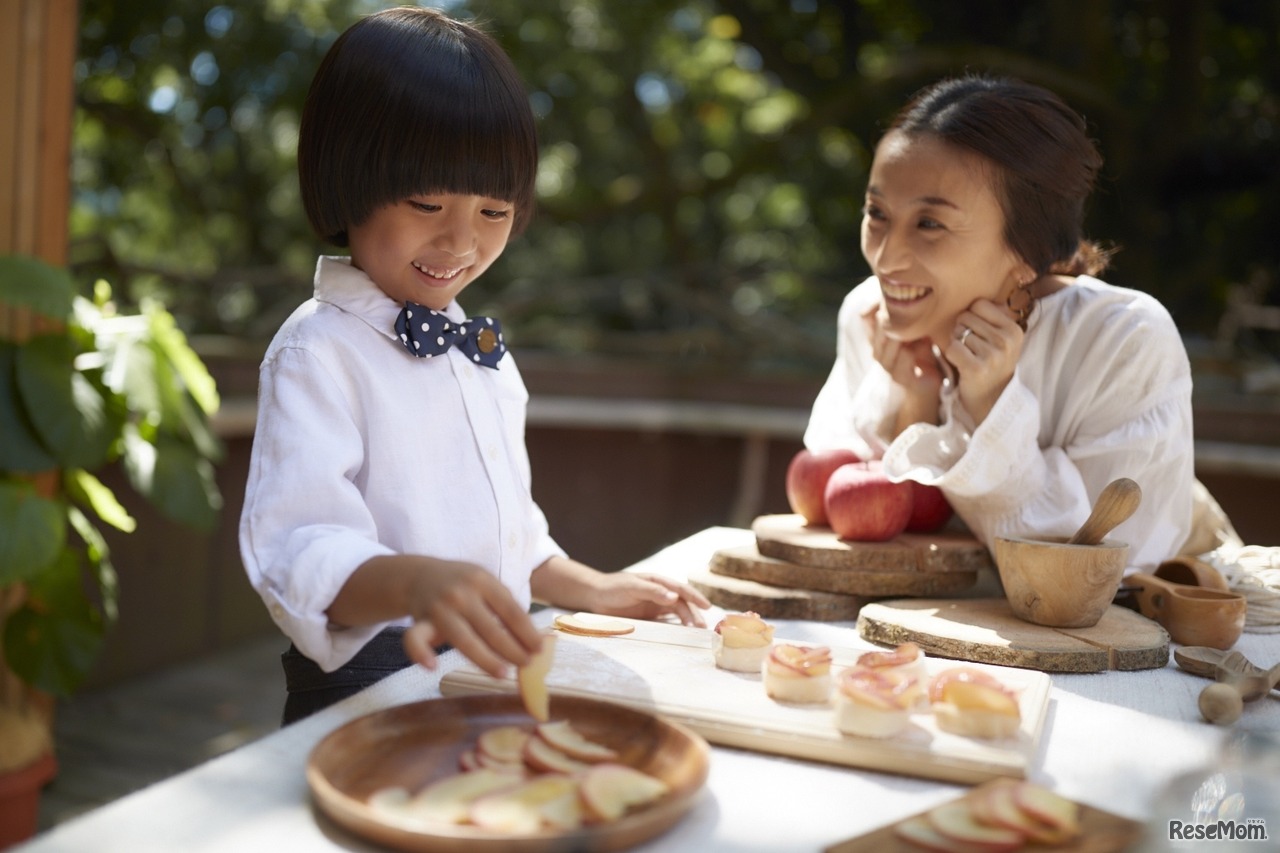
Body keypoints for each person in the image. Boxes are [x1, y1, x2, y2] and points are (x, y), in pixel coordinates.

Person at [240, 6, 708, 724]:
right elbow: (300, 548)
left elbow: (503, 535)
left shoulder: (475, 350)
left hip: (485, 676)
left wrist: (591, 585)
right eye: (427, 202)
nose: (460, 240)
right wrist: (416, 582)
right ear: (349, 179)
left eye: (494, 212)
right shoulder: (318, 351)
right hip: (367, 691)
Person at [804, 74, 1198, 572]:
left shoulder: (1124, 339)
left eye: (929, 224)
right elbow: (841, 507)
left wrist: (992, 403)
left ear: (1027, 255)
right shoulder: (869, 315)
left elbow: (1108, 562)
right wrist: (915, 404)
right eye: (877, 213)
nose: (885, 258)